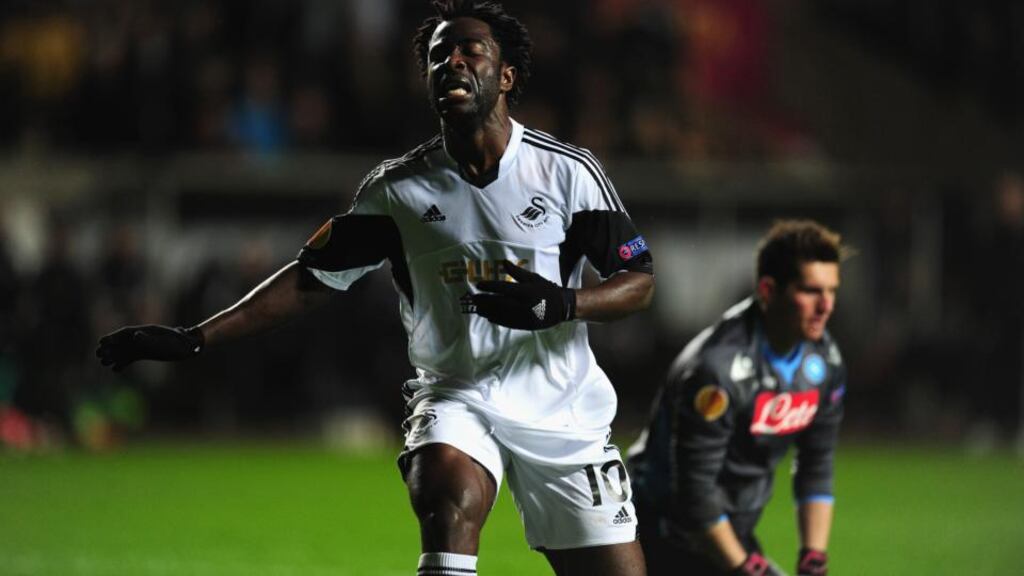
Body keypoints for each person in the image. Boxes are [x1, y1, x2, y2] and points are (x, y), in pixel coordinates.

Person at [96, 2, 655, 575]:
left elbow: (638, 281)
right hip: (457, 393)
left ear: (506, 76)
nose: (453, 62)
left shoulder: (567, 172)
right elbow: (311, 280)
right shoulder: (399, 190)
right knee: (443, 487)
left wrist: (563, 303)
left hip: (559, 407)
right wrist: (195, 338)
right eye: (439, 56)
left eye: (471, 51)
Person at [627, 220, 846, 576]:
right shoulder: (717, 369)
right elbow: (694, 492)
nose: (826, 306)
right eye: (811, 291)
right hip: (663, 534)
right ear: (768, 290)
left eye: (831, 291)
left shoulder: (824, 360)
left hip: (727, 532)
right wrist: (744, 566)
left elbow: (816, 465)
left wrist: (813, 558)